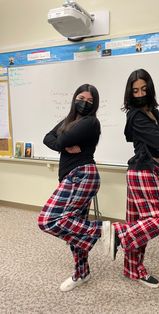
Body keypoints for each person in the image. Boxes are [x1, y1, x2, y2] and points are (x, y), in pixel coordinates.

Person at [37, 84, 111, 292]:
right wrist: (63, 143)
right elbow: (48, 138)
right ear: (74, 98)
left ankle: (100, 231)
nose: (84, 103)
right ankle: (82, 273)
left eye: (89, 101)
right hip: (71, 176)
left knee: (48, 220)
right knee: (75, 228)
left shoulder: (91, 122)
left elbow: (61, 139)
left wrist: (63, 141)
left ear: (94, 105)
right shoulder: (70, 120)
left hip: (82, 175)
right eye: (81, 98)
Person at [110, 69, 159, 288]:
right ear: (130, 93)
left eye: (143, 89)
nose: (139, 94)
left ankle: (133, 269)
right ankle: (117, 234)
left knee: (138, 224)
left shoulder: (153, 113)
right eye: (135, 90)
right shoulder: (136, 116)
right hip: (142, 171)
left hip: (147, 171)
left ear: (149, 89)